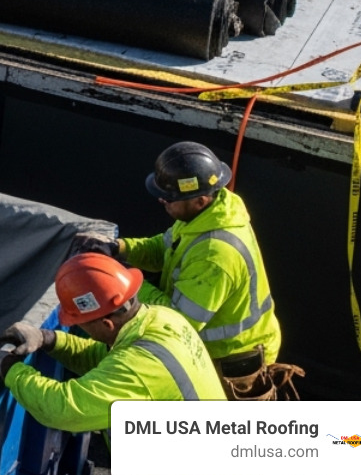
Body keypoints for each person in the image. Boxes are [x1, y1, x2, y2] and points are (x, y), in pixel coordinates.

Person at [0, 253, 256, 475]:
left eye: (83, 325)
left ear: (107, 322)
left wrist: (7, 366)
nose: (82, 331)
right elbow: (109, 361)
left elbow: (62, 408)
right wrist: (50, 339)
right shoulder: (161, 318)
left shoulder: (138, 366)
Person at [69, 142, 298, 400]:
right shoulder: (206, 216)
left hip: (230, 368)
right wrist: (119, 248)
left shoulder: (215, 255)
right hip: (213, 352)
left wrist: (122, 281)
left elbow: (178, 323)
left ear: (200, 199)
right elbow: (164, 248)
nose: (161, 200)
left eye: (169, 198)